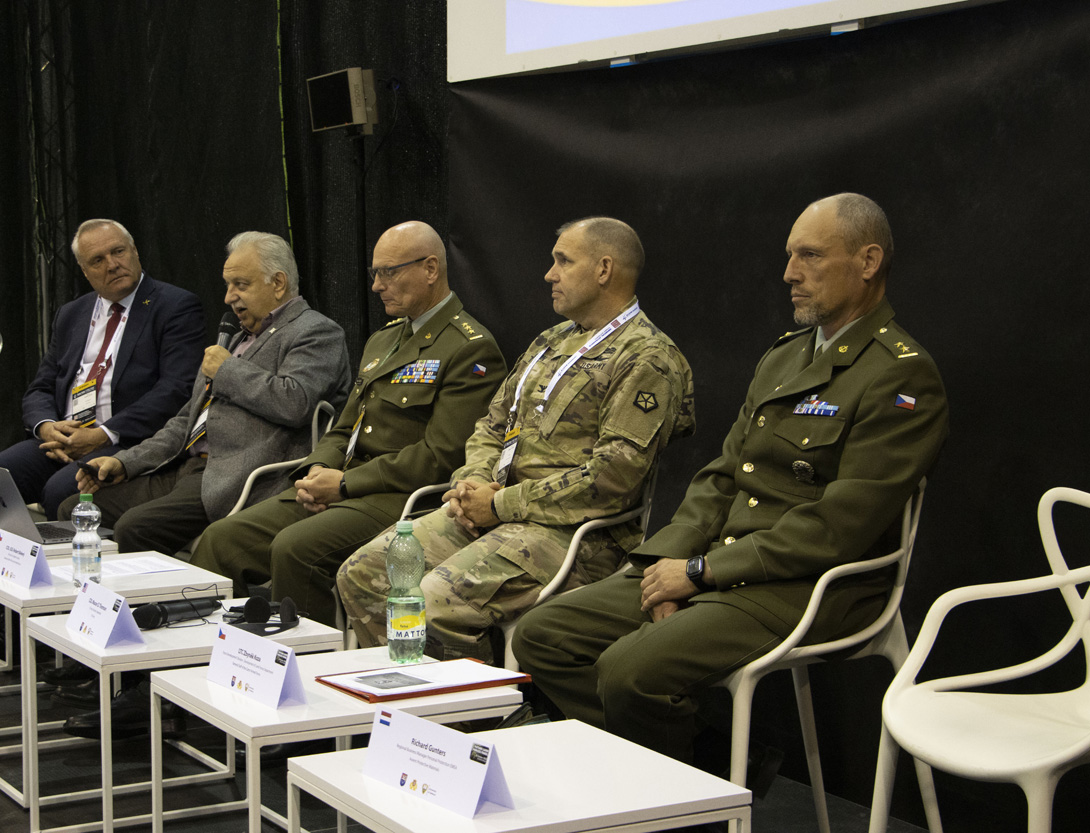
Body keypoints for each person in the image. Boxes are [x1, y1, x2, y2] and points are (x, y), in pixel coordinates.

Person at [513, 194, 949, 765]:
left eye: (810, 255)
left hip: (811, 586)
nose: (789, 273)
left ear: (868, 262)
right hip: (719, 565)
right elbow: (723, 476)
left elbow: (839, 527)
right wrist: (665, 564)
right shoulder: (785, 357)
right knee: (542, 635)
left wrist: (700, 573)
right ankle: (706, 766)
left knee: (629, 671)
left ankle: (672, 799)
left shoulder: (900, 375)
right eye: (790, 255)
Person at [337, 217, 696, 664]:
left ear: (604, 269)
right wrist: (472, 484)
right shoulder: (551, 341)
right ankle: (412, 694)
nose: (549, 274)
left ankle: (473, 707)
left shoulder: (647, 357)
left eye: (563, 261)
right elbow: (492, 424)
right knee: (364, 572)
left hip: (578, 535)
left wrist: (500, 504)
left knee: (433, 600)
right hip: (493, 510)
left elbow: (612, 479)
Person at [189, 221, 506, 626]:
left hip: (401, 497)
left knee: (294, 548)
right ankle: (206, 655)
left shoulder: (470, 348)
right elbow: (344, 426)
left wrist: (343, 484)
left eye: (388, 272)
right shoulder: (383, 340)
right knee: (222, 539)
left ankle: (309, 661)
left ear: (430, 269)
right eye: (375, 273)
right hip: (342, 485)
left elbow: (441, 456)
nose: (376, 285)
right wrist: (318, 468)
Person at [56, 231, 351, 557]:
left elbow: (295, 402)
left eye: (240, 285)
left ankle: (161, 594)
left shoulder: (315, 331)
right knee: (74, 509)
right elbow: (186, 422)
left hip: (236, 477)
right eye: (228, 285)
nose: (228, 297)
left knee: (134, 528)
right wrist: (124, 462)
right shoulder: (238, 338)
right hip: (186, 468)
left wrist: (226, 370)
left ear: (278, 283)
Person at [0, 219, 204, 519]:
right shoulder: (72, 313)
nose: (112, 265)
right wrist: (48, 427)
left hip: (125, 441)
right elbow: (41, 387)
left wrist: (103, 434)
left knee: (61, 492)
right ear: (84, 271)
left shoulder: (175, 306)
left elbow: (176, 389)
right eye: (98, 260)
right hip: (64, 438)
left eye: (118, 252)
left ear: (135, 251)